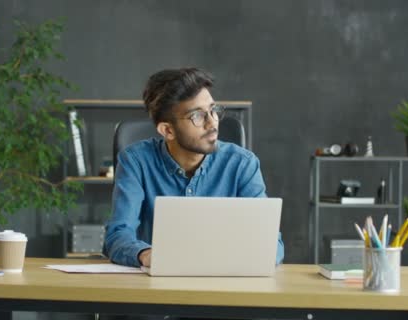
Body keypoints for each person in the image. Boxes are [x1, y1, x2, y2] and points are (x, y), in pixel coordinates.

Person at [103, 67, 284, 267]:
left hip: (224, 286)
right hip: (154, 286)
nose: (212, 123)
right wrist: (146, 255)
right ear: (168, 130)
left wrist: (249, 258)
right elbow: (118, 235)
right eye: (197, 116)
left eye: (213, 110)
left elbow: (272, 244)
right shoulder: (135, 161)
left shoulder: (242, 164)